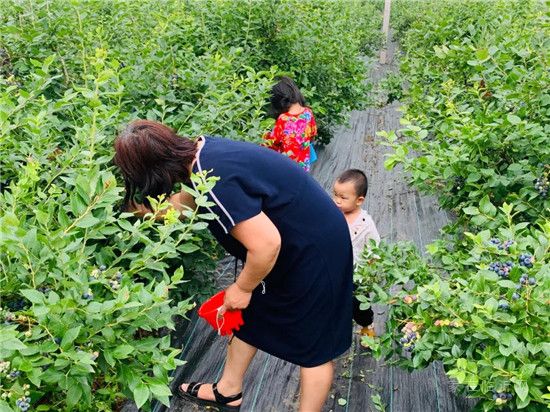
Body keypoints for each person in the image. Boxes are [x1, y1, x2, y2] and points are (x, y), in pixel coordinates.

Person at [113, 120, 353, 412]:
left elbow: (266, 245)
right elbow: (190, 201)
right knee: (248, 313)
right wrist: (149, 212)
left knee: (315, 347)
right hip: (295, 241)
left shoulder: (215, 179)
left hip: (315, 251)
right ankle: (228, 391)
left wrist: (242, 287)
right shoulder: (202, 154)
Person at [332, 169, 380, 340]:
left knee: (359, 305)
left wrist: (370, 270)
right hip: (336, 271)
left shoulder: (365, 224)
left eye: (343, 198)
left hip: (357, 275)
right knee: (334, 302)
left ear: (359, 200)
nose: (337, 201)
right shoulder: (333, 215)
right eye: (335, 195)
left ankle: (367, 326)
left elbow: (374, 248)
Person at [263, 76, 317, 172]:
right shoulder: (308, 112)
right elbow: (313, 134)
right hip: (304, 167)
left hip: (287, 168)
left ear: (277, 99)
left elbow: (272, 144)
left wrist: (263, 136)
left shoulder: (283, 119)